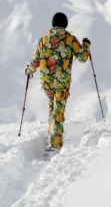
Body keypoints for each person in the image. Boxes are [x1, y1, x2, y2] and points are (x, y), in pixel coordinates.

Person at [25, 12, 91, 151]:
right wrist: (86, 45)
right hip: (62, 82)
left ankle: (51, 131)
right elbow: (83, 57)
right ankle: (55, 143)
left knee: (53, 105)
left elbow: (35, 60)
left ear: (53, 24)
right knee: (58, 111)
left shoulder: (44, 39)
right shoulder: (70, 39)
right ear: (65, 24)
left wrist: (29, 71)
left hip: (47, 82)